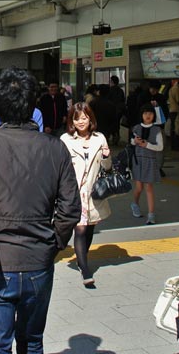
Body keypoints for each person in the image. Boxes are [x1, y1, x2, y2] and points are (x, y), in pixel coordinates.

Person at [0, 67, 80, 354]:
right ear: (34, 104)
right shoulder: (55, 148)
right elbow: (70, 207)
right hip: (38, 257)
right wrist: (54, 242)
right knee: (32, 342)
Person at [59, 102, 111, 287]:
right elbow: (60, 167)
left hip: (93, 191)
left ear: (90, 119)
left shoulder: (100, 138)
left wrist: (106, 156)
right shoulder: (65, 139)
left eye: (84, 118)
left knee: (89, 228)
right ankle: (85, 269)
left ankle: (83, 257)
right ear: (71, 121)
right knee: (80, 228)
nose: (81, 122)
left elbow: (107, 167)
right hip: (74, 191)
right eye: (76, 119)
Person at [129, 104, 164, 225]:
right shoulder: (136, 128)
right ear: (141, 115)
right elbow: (131, 142)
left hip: (150, 160)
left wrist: (147, 145)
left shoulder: (157, 130)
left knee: (148, 187)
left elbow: (160, 147)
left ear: (154, 115)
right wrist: (135, 141)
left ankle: (151, 215)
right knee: (139, 187)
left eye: (150, 113)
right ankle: (135, 204)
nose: (148, 115)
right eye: (145, 113)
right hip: (137, 161)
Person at [167, 79, 179, 151]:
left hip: (171, 110)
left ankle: (173, 145)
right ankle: (176, 145)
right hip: (176, 111)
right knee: (176, 128)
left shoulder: (171, 88)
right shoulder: (177, 89)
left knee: (173, 128)